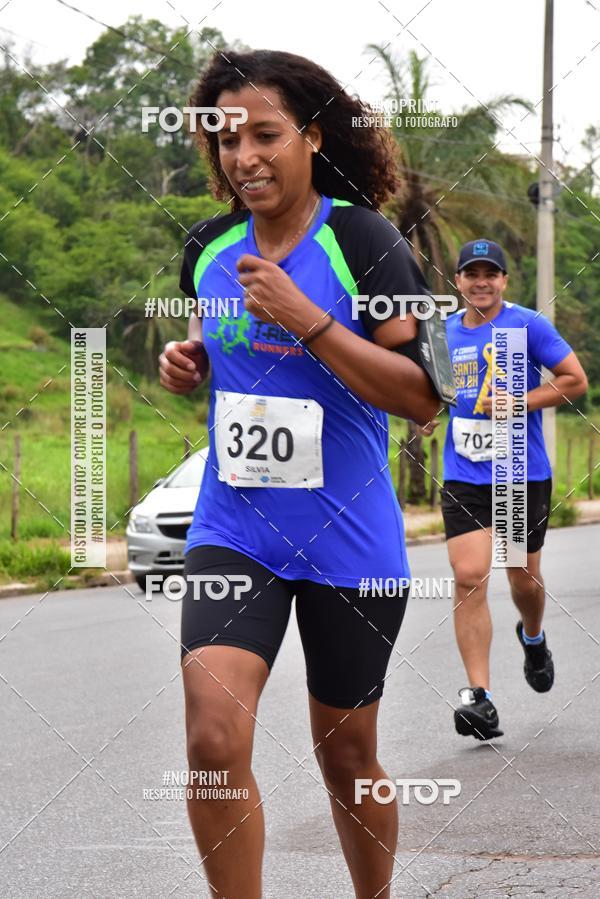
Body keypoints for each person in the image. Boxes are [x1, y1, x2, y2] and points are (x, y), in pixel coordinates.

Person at [158, 49, 442, 898]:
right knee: (212, 741)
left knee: (347, 755)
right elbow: (225, 348)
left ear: (312, 137)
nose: (243, 155)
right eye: (225, 138)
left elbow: (424, 396)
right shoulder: (207, 250)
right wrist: (192, 360)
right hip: (234, 526)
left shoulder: (366, 242)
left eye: (265, 134)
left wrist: (308, 317)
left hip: (347, 536)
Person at [428, 239, 588, 741]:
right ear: (457, 281)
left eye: (490, 274)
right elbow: (432, 389)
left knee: (522, 576)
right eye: (471, 273)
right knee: (470, 575)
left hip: (517, 471)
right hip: (464, 474)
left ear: (503, 280)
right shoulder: (442, 333)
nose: (481, 282)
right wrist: (427, 411)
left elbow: (574, 379)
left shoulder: (525, 325)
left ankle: (533, 637)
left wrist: (521, 399)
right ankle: (481, 699)